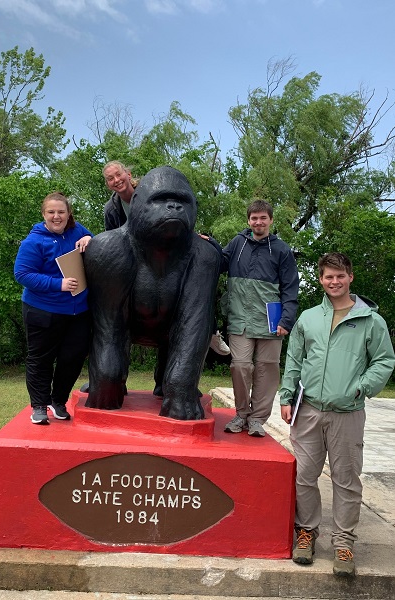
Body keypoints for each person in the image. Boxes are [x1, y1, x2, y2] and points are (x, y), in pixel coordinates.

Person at [280, 252, 395, 577]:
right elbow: (294, 360)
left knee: (346, 480)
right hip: (309, 411)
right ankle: (306, 533)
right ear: (320, 279)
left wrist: (362, 387)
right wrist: (287, 396)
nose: (334, 281)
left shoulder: (370, 321)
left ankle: (344, 543)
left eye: (339, 276)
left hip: (347, 414)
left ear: (350, 278)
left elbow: (384, 360)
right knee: (304, 476)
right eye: (328, 276)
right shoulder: (309, 318)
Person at [102, 160, 230, 356]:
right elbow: (114, 238)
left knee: (198, 280)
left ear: (127, 174)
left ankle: (210, 331)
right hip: (138, 254)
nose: (116, 180)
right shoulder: (111, 208)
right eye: (110, 178)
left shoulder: (152, 188)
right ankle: (105, 368)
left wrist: (193, 235)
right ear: (108, 184)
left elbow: (177, 212)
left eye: (118, 174)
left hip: (171, 250)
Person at [218, 199, 299, 436]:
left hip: (271, 322)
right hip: (240, 319)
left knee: (268, 369)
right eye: (254, 218)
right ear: (248, 220)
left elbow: (291, 287)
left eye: (263, 218)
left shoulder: (282, 250)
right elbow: (217, 262)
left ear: (271, 220)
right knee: (240, 366)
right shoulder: (237, 243)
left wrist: (286, 319)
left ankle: (257, 420)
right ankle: (241, 414)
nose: (258, 222)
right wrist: (205, 244)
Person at [14, 192, 93, 425]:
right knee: (41, 359)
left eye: (61, 212)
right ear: (44, 214)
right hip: (42, 310)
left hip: (78, 312)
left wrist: (90, 237)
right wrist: (58, 284)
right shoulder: (34, 242)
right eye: (51, 212)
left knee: (73, 357)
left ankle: (58, 401)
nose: (56, 216)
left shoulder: (77, 231)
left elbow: (97, 244)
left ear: (69, 214)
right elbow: (22, 274)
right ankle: (39, 406)